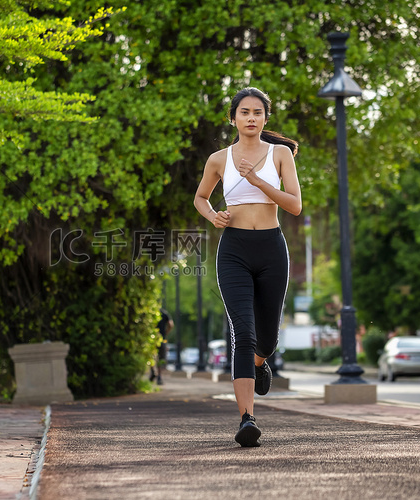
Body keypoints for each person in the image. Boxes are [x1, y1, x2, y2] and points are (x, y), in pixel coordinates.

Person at [193, 87, 301, 447]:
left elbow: (295, 206)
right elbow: (200, 197)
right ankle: (246, 419)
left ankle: (260, 363)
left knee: (266, 340)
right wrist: (213, 216)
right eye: (244, 112)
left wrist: (256, 180)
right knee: (243, 333)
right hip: (234, 249)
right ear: (233, 118)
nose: (251, 118)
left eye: (257, 112)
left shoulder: (281, 154)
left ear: (265, 119)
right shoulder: (218, 159)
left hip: (271, 248)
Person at [150, 308, 174, 385]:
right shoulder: (164, 313)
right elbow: (171, 325)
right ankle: (159, 376)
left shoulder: (151, 312)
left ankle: (153, 371)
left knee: (151, 356)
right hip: (162, 339)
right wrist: (166, 333)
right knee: (161, 358)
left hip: (151, 339)